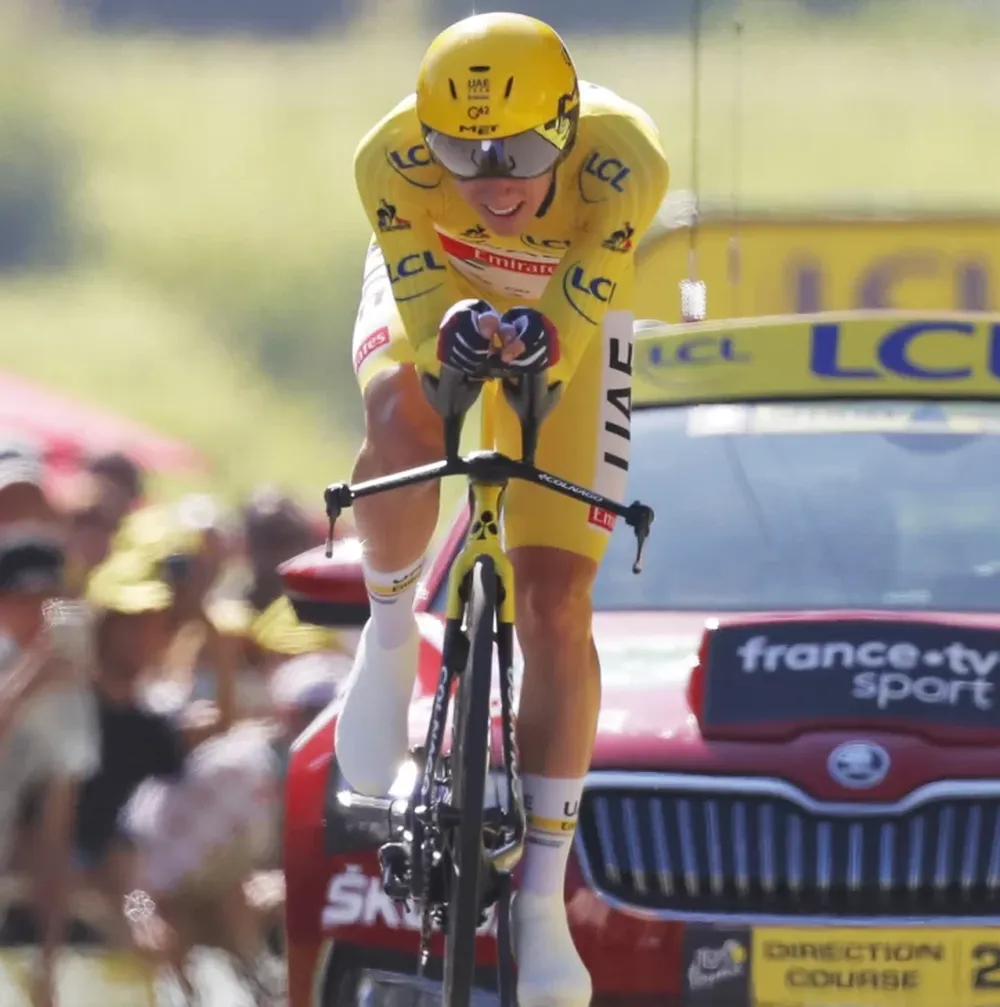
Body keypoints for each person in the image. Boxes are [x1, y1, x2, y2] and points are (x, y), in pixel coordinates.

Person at [333, 12, 669, 1005]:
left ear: (566, 123)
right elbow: (425, 325)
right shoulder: (388, 160)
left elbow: (571, 323)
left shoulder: (621, 160)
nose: (495, 180)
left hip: (569, 296)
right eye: (464, 155)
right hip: (439, 280)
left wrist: (540, 345)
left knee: (558, 596)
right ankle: (390, 636)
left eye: (522, 151)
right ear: (424, 135)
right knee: (401, 414)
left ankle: (541, 901)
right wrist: (453, 342)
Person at [0, 437, 101, 1007]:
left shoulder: (66, 600)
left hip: (63, 799)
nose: (18, 510)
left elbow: (71, 628)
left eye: (28, 498)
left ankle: (48, 967)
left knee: (58, 844)